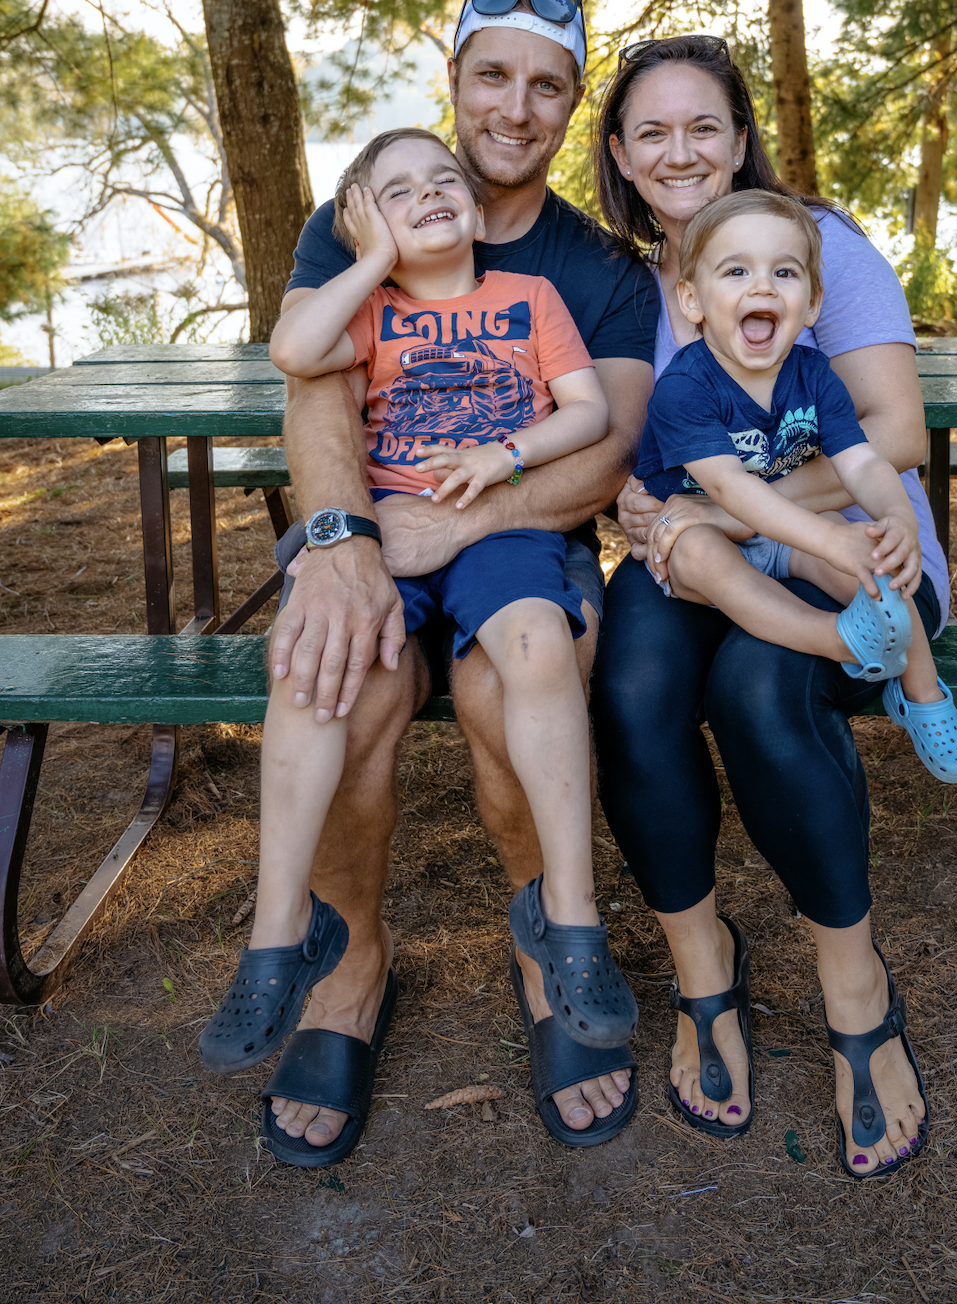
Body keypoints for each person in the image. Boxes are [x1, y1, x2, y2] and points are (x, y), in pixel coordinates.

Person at [258, 0, 657, 1164]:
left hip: (523, 543)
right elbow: (313, 392)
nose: (515, 105)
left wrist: (457, 529)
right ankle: (349, 964)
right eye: (495, 74)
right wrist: (343, 544)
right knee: (348, 679)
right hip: (373, 528)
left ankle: (550, 947)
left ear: (572, 105)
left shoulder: (597, 267)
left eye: (547, 84)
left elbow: (611, 445)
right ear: (456, 79)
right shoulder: (364, 218)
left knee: (503, 688)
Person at [197, 126, 638, 1084]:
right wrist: (373, 262)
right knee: (324, 669)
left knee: (536, 643)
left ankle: (570, 919)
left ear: (477, 209)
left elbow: (592, 413)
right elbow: (293, 349)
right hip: (386, 534)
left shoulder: (533, 297)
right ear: (363, 219)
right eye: (398, 190)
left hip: (501, 529)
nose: (432, 191)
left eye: (445, 180)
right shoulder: (371, 307)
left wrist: (501, 459)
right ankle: (283, 933)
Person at [589, 34, 947, 1177]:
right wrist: (645, 513)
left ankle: (857, 987)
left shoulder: (812, 243)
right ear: (621, 156)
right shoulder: (627, 279)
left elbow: (894, 433)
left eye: (705, 126)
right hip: (698, 557)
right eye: (653, 131)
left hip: (854, 551)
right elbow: (626, 449)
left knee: (756, 688)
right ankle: (704, 969)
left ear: (742, 139)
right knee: (635, 685)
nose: (681, 150)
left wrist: (728, 513)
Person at [636, 188, 957, 787]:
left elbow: (864, 463)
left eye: (786, 272)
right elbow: (733, 495)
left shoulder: (814, 374)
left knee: (874, 558)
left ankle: (923, 695)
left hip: (784, 535)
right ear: (692, 300)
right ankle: (837, 641)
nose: (763, 286)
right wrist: (830, 540)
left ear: (814, 301)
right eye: (737, 270)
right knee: (702, 552)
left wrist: (895, 517)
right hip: (706, 534)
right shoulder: (684, 387)